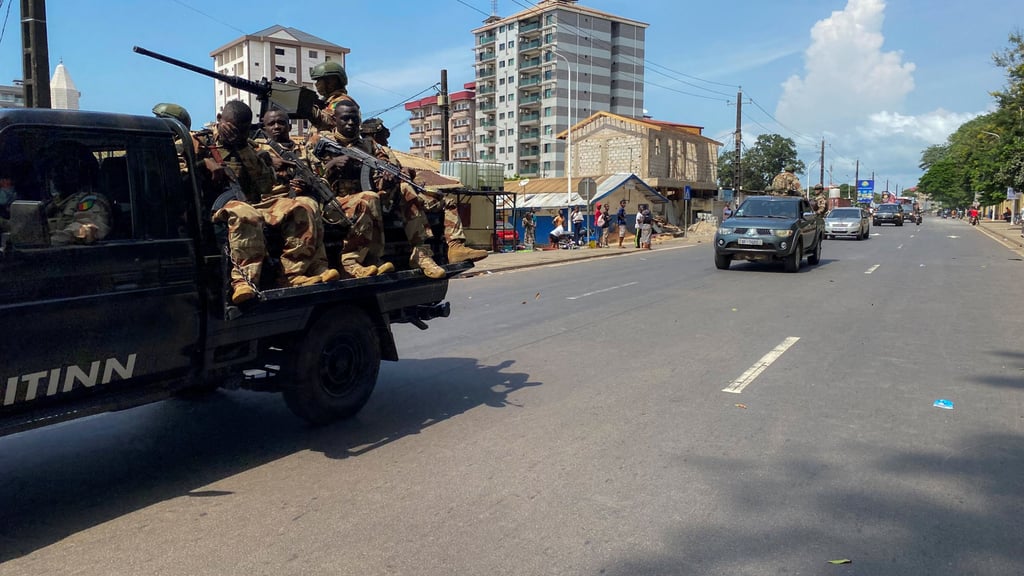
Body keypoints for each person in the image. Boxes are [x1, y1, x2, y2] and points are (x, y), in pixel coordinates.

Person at [311, 98, 445, 279]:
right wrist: (331, 166)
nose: (350, 123)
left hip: (367, 199)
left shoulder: (369, 145)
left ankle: (421, 255)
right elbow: (308, 176)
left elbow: (389, 165)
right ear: (334, 120)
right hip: (332, 204)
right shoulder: (318, 142)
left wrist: (388, 179)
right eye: (345, 119)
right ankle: (354, 260)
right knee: (369, 197)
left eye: (354, 119)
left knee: (405, 188)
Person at [360, 117, 487, 264]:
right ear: (376, 134)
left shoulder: (380, 150)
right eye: (384, 134)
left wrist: (407, 172)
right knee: (432, 198)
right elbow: (377, 180)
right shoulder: (370, 150)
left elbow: (398, 171)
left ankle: (455, 248)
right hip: (390, 198)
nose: (387, 137)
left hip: (396, 194)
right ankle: (433, 248)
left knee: (441, 198)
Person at [196, 100, 277, 304]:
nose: (236, 135)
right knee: (244, 213)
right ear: (219, 120)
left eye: (243, 131)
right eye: (232, 128)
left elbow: (266, 185)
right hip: (216, 213)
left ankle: (299, 272)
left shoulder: (250, 147)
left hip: (249, 205)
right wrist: (202, 163)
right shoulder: (199, 143)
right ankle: (243, 282)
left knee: (302, 206)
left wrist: (243, 149)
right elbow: (173, 172)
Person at [251, 108, 340, 287]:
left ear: (289, 125)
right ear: (264, 127)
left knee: (311, 203)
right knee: (305, 205)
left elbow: (319, 175)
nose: (277, 127)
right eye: (271, 124)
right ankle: (292, 272)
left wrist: (309, 185)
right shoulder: (257, 149)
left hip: (298, 198)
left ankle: (317, 266)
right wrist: (269, 162)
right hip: (270, 201)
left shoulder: (304, 151)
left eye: (281, 123)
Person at [43, 141, 111, 245]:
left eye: (62, 167)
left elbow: (87, 229)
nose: (54, 174)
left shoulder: (92, 201)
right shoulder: (56, 201)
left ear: (80, 170)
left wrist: (47, 243)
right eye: (53, 168)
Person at [308, 61, 350, 133]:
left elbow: (329, 121)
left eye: (319, 80)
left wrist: (307, 106)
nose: (316, 84)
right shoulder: (325, 102)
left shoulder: (342, 102)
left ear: (331, 82)